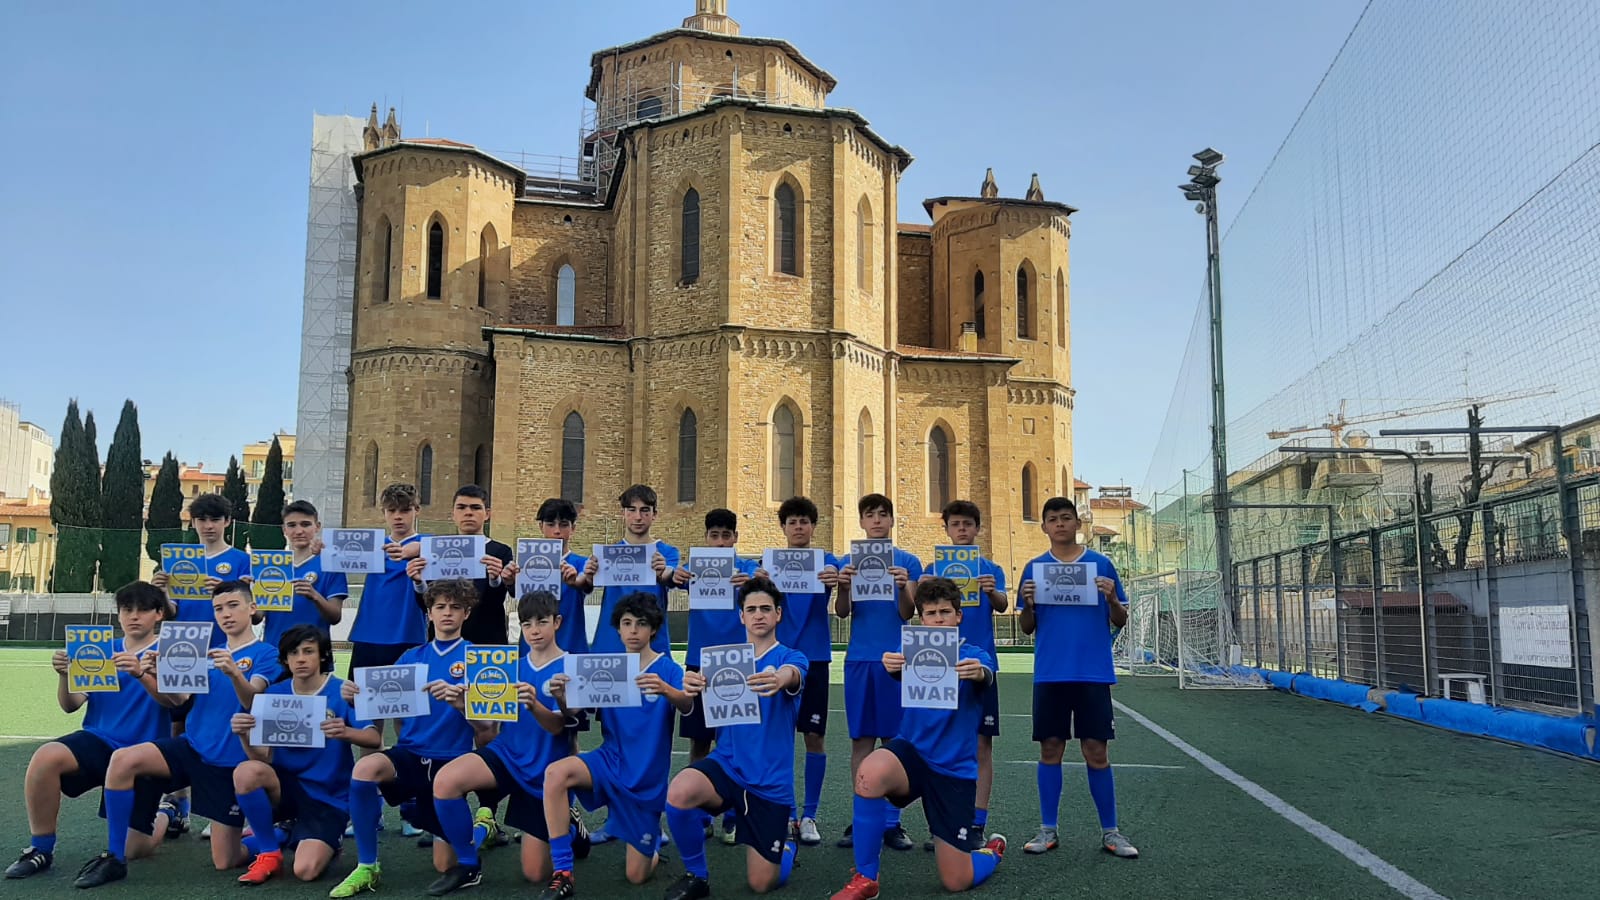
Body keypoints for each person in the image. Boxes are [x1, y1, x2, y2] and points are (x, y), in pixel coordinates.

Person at [73, 581, 283, 888]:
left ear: (252, 608)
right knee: (122, 760)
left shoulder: (267, 653)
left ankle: (280, 835)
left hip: (229, 761)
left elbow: (253, 700)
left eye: (233, 605)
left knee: (225, 860)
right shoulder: (204, 653)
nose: (225, 614)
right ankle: (115, 857)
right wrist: (154, 672)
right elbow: (178, 700)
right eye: (218, 609)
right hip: (191, 746)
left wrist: (235, 673)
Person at [828, 578, 1006, 900]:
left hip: (953, 770)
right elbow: (896, 667)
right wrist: (891, 664)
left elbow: (986, 673)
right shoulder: (909, 649)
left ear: (958, 616)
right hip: (912, 754)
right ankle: (866, 878)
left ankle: (991, 853)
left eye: (945, 612)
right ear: (921, 619)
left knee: (956, 881)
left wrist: (978, 672)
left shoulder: (974, 654)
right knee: (869, 772)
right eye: (931, 613)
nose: (938, 619)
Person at [328, 579, 488, 898]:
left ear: (466, 614)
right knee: (364, 770)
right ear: (429, 613)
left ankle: (483, 830)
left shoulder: (479, 659)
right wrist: (355, 697)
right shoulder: (410, 657)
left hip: (451, 760)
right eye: (440, 607)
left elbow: (488, 730)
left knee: (445, 864)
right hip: (411, 754)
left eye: (455, 607)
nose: (447, 613)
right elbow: (390, 710)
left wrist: (460, 703)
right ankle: (367, 865)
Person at [6, 582, 175, 879]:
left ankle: (167, 811)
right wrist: (64, 676)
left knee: (135, 849)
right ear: (119, 615)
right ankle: (40, 849)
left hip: (144, 752)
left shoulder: (170, 651)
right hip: (100, 739)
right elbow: (71, 705)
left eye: (143, 610)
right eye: (127, 610)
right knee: (46, 756)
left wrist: (142, 673)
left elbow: (175, 703)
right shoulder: (99, 649)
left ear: (159, 614)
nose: (134, 616)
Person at [427, 590, 590, 895]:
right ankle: (468, 865)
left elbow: (559, 728)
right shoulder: (509, 665)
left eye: (541, 622)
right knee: (446, 780)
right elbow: (486, 725)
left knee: (534, 873)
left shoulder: (573, 667)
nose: (534, 630)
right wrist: (462, 705)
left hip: (544, 769)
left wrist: (534, 704)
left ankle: (570, 826)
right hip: (506, 754)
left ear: (557, 622)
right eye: (527, 624)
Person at [536, 594, 692, 899]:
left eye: (641, 623)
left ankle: (648, 842)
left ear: (653, 629)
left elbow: (687, 705)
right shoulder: (606, 667)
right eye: (626, 623)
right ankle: (563, 871)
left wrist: (666, 690)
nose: (633, 630)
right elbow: (573, 712)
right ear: (618, 629)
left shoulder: (668, 669)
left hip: (645, 779)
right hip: (608, 762)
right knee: (555, 774)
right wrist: (561, 696)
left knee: (636, 876)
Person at [662, 576, 807, 900]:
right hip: (727, 765)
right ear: (741, 616)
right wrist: (691, 685)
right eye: (751, 609)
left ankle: (787, 844)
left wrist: (779, 678)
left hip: (768, 782)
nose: (758, 615)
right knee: (679, 792)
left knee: (761, 883)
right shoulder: (721, 660)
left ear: (778, 614)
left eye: (765, 609)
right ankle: (697, 876)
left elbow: (792, 675)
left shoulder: (791, 658)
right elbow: (690, 701)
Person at [1017, 497, 1138, 859]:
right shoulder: (1034, 568)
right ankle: (1047, 829)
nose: (1059, 523)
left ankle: (1111, 831)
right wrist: (1029, 605)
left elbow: (1121, 619)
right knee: (1050, 749)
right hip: (1051, 674)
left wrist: (1112, 598)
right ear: (1044, 526)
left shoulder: (1101, 564)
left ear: (1077, 524)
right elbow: (1026, 627)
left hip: (1092, 673)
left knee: (1096, 752)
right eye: (1053, 518)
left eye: (1066, 517)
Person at [230, 625, 382, 884]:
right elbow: (262, 759)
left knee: (306, 871)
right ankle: (269, 852)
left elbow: (374, 738)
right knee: (245, 772)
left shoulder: (341, 691)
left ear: (322, 656)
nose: (300, 659)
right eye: (294, 653)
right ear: (285, 659)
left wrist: (345, 732)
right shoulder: (274, 694)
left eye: (308, 651)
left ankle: (311, 837)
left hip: (328, 796)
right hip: (285, 788)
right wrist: (243, 735)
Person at [408, 485, 513, 844]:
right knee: (443, 728)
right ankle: (441, 817)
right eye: (462, 507)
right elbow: (428, 604)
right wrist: (418, 581)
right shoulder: (435, 550)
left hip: (489, 650)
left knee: (488, 731)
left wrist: (498, 577)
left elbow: (501, 597)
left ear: (487, 513)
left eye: (476, 507)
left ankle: (488, 814)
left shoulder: (499, 551)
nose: (469, 513)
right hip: (444, 652)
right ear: (452, 513)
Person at [833, 493, 921, 850]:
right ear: (861, 521)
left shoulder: (908, 562)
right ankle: (862, 819)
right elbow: (842, 612)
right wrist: (843, 586)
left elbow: (908, 613)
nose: (877, 521)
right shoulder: (848, 561)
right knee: (861, 741)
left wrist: (903, 587)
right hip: (859, 659)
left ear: (892, 520)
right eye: (870, 515)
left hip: (896, 661)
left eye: (883, 514)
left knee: (894, 742)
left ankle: (891, 822)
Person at [919, 500, 1007, 850]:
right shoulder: (933, 568)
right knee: (939, 743)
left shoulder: (990, 568)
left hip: (979, 667)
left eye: (968, 524)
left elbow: (1003, 606)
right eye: (955, 524)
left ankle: (977, 822)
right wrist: (920, 585)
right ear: (946, 529)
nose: (962, 530)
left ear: (977, 528)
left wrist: (992, 591)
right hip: (938, 666)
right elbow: (917, 610)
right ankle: (944, 823)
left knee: (982, 745)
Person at [678, 509, 757, 845]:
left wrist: (753, 583)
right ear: (706, 538)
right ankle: (700, 814)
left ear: (735, 538)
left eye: (727, 535)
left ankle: (733, 816)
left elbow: (765, 589)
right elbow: (670, 578)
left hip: (737, 664)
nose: (721, 542)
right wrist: (675, 574)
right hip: (698, 662)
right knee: (699, 742)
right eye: (715, 535)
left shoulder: (748, 569)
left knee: (735, 741)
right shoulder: (694, 568)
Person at [767, 496, 839, 847]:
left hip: (815, 659)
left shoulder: (827, 563)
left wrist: (837, 580)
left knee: (814, 737)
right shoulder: (769, 566)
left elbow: (842, 585)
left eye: (804, 521)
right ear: (783, 527)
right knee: (778, 737)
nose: (798, 527)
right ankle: (786, 811)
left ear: (813, 526)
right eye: (792, 522)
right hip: (777, 659)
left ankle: (809, 816)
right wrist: (759, 581)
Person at [348, 483, 427, 740]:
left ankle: (407, 762)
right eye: (392, 510)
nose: (398, 517)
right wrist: (320, 549)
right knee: (368, 718)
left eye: (404, 510)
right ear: (383, 513)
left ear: (417, 510)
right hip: (368, 637)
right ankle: (370, 766)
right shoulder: (372, 546)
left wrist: (414, 550)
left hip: (409, 637)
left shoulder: (428, 546)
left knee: (406, 716)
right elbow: (334, 553)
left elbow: (461, 548)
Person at [579, 485, 684, 655]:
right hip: (610, 642)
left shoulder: (667, 553)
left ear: (654, 514)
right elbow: (586, 586)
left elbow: (669, 577)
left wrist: (663, 572)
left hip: (653, 642)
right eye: (632, 510)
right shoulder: (606, 554)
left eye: (645, 510)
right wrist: (589, 575)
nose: (638, 517)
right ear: (623, 513)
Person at [263, 500, 348, 649]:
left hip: (315, 652)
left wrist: (315, 596)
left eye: (305, 524)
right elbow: (257, 618)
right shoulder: (271, 565)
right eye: (292, 525)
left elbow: (335, 617)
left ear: (317, 527)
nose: (299, 531)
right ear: (284, 529)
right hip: (274, 651)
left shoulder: (330, 564)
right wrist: (250, 594)